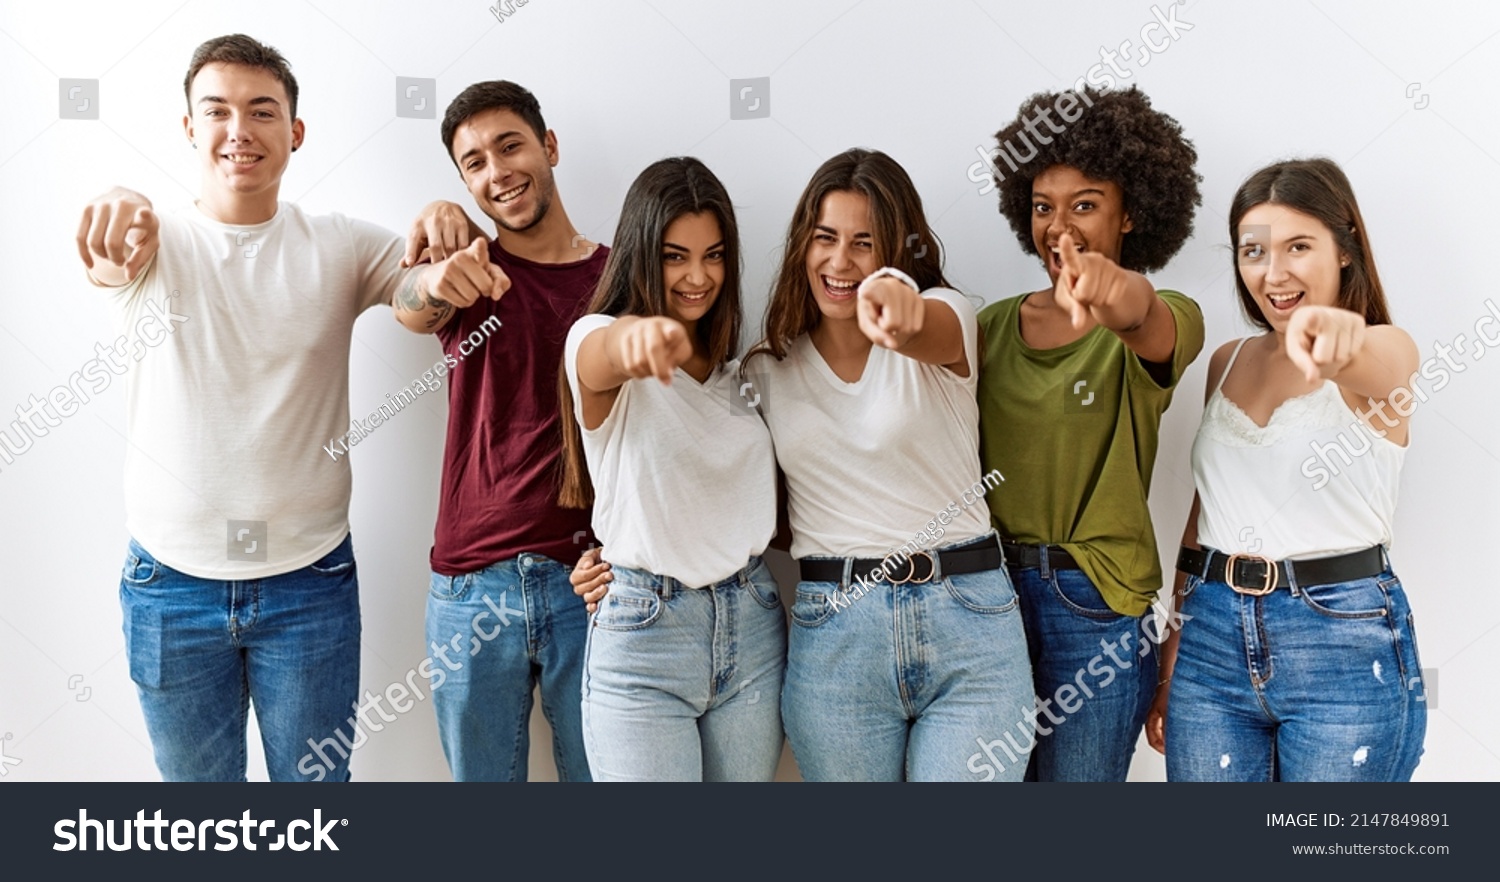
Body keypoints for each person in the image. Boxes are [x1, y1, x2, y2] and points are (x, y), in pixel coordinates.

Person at [78, 34, 465, 781]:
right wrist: (116, 212)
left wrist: (444, 251)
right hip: (170, 587)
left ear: (295, 132)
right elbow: (109, 256)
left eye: (262, 111)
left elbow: (418, 297)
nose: (238, 131)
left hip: (308, 583)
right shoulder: (150, 243)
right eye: (216, 111)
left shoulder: (340, 244)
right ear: (189, 127)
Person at [753, 147, 1031, 781]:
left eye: (864, 243)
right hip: (837, 629)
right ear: (802, 243)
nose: (840, 261)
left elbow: (919, 323)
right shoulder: (765, 371)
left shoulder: (948, 321)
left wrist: (898, 307)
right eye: (825, 238)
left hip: (969, 618)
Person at [1148, 158, 1426, 781]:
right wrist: (1171, 659)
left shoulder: (1388, 347)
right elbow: (1201, 525)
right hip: (1210, 641)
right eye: (1253, 251)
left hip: (1341, 640)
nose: (1273, 274)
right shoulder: (1226, 360)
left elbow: (1371, 362)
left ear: (1345, 248)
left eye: (1299, 246)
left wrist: (1333, 337)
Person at [974, 85, 1205, 781]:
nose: (1058, 225)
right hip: (989, 597)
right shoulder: (987, 330)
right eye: (1044, 206)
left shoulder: (1165, 314)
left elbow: (1142, 318)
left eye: (1084, 205)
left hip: (1095, 605)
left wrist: (1111, 288)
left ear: (1130, 213)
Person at [391, 80, 607, 782]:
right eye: (473, 163)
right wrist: (432, 271)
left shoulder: (618, 279)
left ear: (549, 146)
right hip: (470, 589)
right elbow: (409, 304)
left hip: (591, 582)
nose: (497, 171)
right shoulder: (466, 270)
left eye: (509, 145)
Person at [557, 157, 783, 781]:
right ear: (639, 254)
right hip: (644, 633)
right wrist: (642, 341)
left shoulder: (747, 379)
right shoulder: (597, 339)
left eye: (712, 256)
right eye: (674, 255)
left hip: (753, 623)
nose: (696, 276)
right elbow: (608, 354)